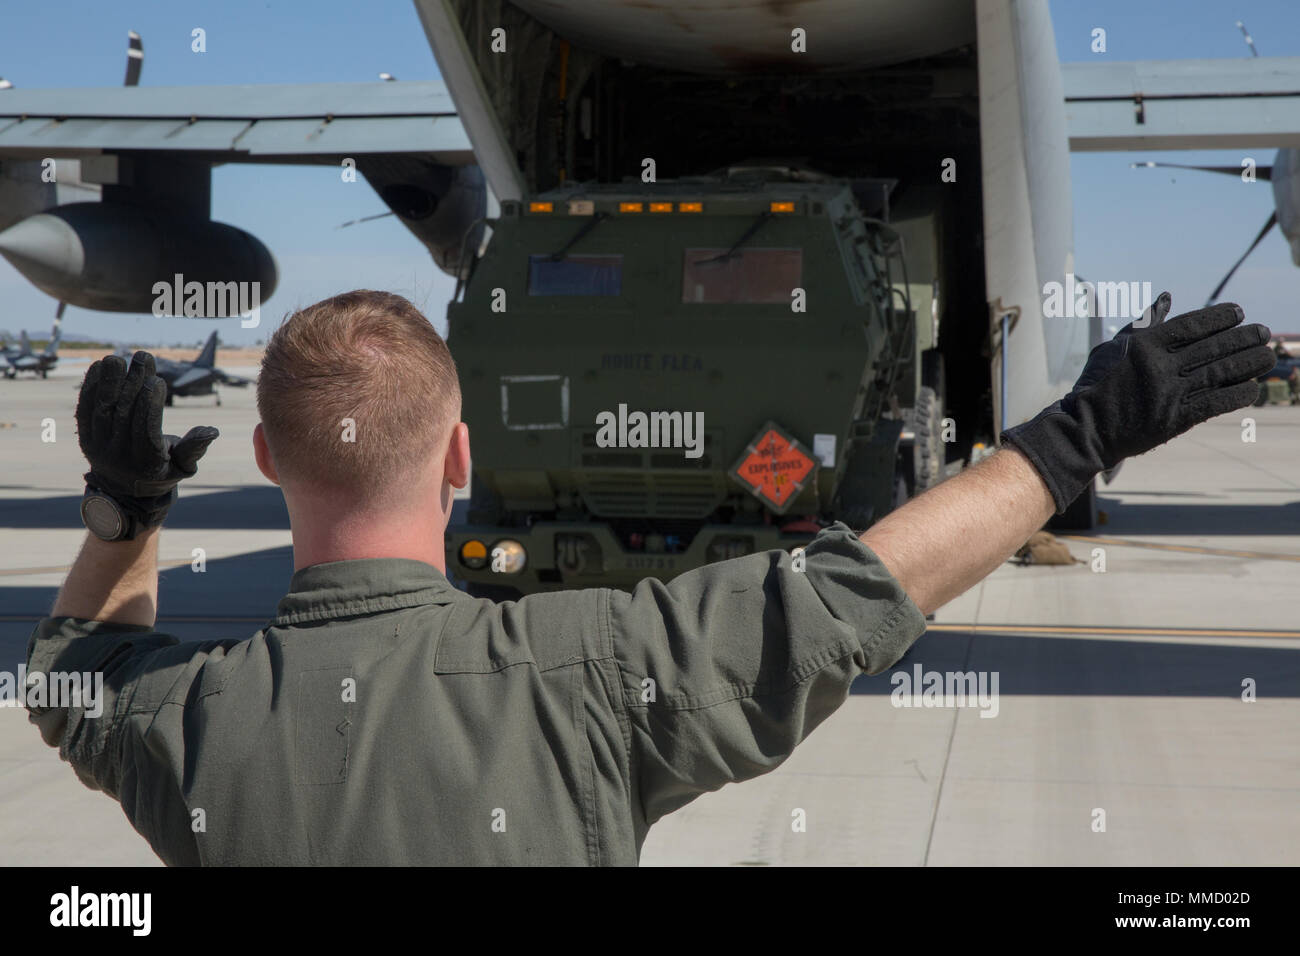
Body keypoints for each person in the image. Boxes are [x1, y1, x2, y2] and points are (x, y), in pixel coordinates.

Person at [25, 289, 1273, 865]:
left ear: (263, 456)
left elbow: (72, 665)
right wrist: (1075, 438)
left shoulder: (183, 720)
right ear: (460, 454)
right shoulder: (581, 673)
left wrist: (129, 508)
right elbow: (849, 593)